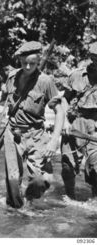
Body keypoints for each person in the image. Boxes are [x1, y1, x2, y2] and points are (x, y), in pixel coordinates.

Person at [3, 41, 65, 208]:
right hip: (13, 134)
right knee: (13, 180)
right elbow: (4, 96)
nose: (28, 66)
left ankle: (29, 200)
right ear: (20, 61)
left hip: (36, 134)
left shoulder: (46, 81)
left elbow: (59, 111)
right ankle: (16, 211)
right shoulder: (12, 76)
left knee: (40, 180)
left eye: (33, 63)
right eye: (24, 63)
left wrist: (53, 141)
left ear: (39, 61)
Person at [60, 42, 97, 199]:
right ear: (92, 58)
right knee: (67, 166)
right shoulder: (76, 75)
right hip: (74, 121)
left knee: (96, 168)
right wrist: (65, 123)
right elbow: (64, 100)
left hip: (95, 125)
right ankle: (70, 199)